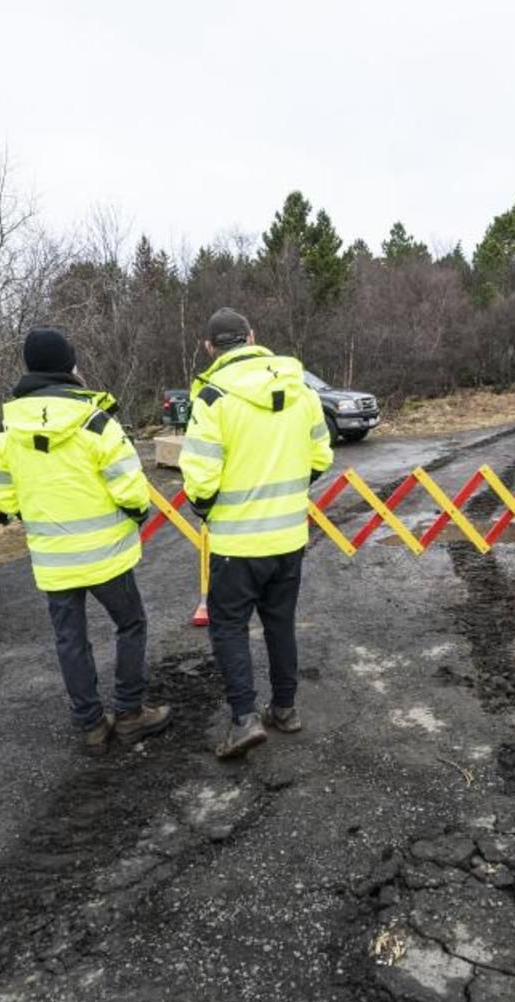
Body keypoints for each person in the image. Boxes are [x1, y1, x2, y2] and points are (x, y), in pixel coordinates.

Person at [0, 327, 171, 755]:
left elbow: (3, 497)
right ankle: (129, 714)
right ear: (70, 367)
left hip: (53, 560)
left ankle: (90, 724)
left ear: (29, 367)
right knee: (130, 624)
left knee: (71, 639)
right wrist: (137, 513)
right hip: (108, 556)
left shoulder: (6, 431)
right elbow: (130, 489)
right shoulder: (96, 423)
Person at [180, 308, 333, 759]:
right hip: (289, 538)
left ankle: (244, 720)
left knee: (228, 628)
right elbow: (321, 455)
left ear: (210, 348)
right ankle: (284, 709)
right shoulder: (301, 389)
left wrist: (211, 511)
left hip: (234, 544)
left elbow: (200, 480)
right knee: (280, 623)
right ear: (251, 337)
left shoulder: (211, 399)